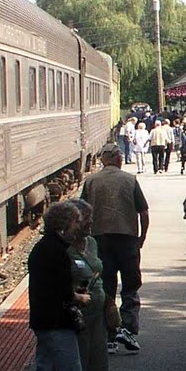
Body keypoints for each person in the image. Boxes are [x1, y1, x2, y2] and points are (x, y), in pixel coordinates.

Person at [14, 200, 98, 371]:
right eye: (74, 222)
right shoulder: (57, 252)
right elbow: (63, 292)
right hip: (58, 324)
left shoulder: (42, 248)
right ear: (64, 225)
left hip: (42, 322)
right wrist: (81, 298)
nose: (78, 226)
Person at [79, 143, 149, 356]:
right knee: (130, 286)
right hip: (127, 239)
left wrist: (84, 242)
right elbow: (143, 212)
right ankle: (128, 329)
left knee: (105, 288)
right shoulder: (130, 180)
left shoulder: (90, 182)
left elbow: (81, 212)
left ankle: (109, 335)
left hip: (100, 240)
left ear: (103, 159)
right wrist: (142, 237)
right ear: (118, 158)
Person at [65, 198, 113, 371]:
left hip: (97, 315)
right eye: (87, 219)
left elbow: (99, 277)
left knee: (98, 365)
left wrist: (109, 304)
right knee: (79, 369)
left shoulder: (91, 243)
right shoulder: (65, 249)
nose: (92, 223)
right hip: (77, 318)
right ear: (74, 222)